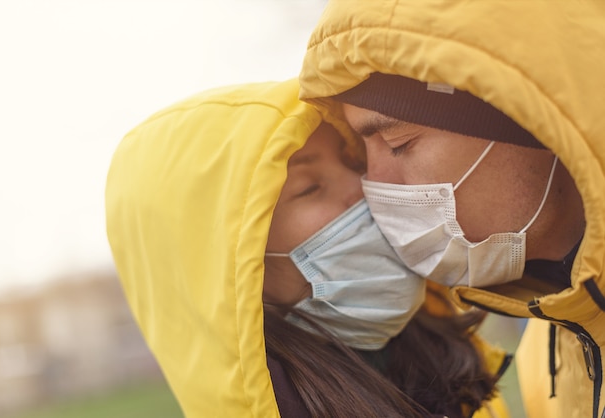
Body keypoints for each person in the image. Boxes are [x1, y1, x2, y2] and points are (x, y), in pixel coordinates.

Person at [105, 79, 511, 417]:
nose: (362, 187)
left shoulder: (450, 367)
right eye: (310, 187)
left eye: (351, 164)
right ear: (231, 269)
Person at [298, 1, 605, 417]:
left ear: (527, 112)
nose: (375, 188)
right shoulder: (553, 341)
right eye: (361, 158)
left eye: (398, 143)